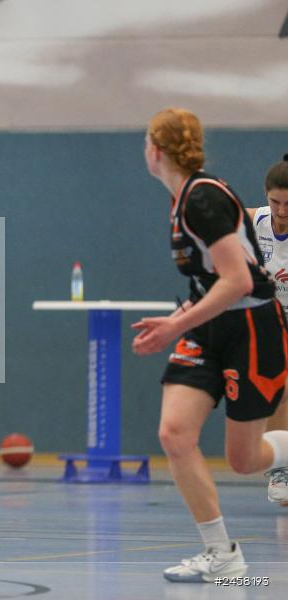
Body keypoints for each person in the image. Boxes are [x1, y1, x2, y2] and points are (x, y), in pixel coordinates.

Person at [133, 108, 288, 582]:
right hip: (209, 328)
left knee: (244, 460)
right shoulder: (184, 199)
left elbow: (238, 281)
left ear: (155, 151)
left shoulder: (203, 199)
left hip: (251, 330)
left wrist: (176, 327)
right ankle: (221, 553)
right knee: (175, 433)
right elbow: (211, 284)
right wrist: (179, 319)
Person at [247, 154, 288, 506]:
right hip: (272, 318)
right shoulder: (255, 219)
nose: (282, 210)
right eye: (275, 201)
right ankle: (280, 468)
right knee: (281, 390)